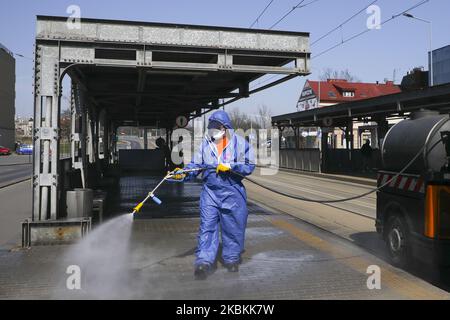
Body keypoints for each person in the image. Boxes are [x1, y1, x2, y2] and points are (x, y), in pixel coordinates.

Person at [172, 110, 255, 280]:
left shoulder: (239, 144)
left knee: (233, 227)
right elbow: (195, 164)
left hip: (232, 193)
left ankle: (231, 259)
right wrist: (184, 172)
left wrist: (231, 166)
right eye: (210, 126)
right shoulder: (206, 145)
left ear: (225, 128)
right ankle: (204, 262)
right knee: (207, 227)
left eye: (215, 126)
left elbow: (249, 165)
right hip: (210, 192)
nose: (212, 130)